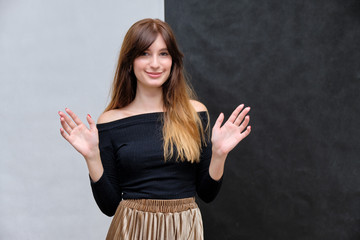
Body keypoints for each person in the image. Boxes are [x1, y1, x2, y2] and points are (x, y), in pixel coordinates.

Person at [58, 18, 251, 240]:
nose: (155, 64)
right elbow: (109, 205)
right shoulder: (110, 121)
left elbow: (207, 193)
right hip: (132, 229)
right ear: (130, 62)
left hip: (183, 229)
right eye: (145, 54)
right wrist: (92, 157)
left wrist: (219, 154)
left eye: (163, 53)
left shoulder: (194, 113)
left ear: (173, 61)